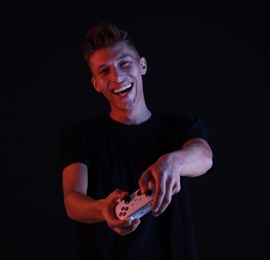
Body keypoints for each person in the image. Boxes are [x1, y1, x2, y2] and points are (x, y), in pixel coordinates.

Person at [58, 22, 213, 260]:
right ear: (96, 84)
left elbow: (203, 156)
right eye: (104, 71)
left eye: (124, 63)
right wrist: (102, 208)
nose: (117, 76)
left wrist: (172, 162)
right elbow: (72, 200)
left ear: (142, 65)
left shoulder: (182, 127)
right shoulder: (80, 136)